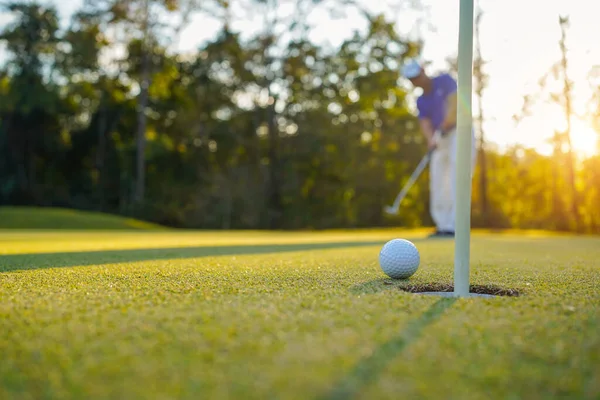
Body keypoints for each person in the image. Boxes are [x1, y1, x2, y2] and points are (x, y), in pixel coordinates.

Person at [401, 59, 476, 238]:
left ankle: (456, 225)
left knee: (458, 176)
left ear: (423, 71)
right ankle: (443, 225)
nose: (416, 81)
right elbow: (425, 123)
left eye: (417, 76)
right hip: (440, 138)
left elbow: (455, 104)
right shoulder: (421, 101)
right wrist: (431, 140)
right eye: (412, 79)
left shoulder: (444, 80)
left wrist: (445, 124)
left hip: (459, 131)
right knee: (438, 180)